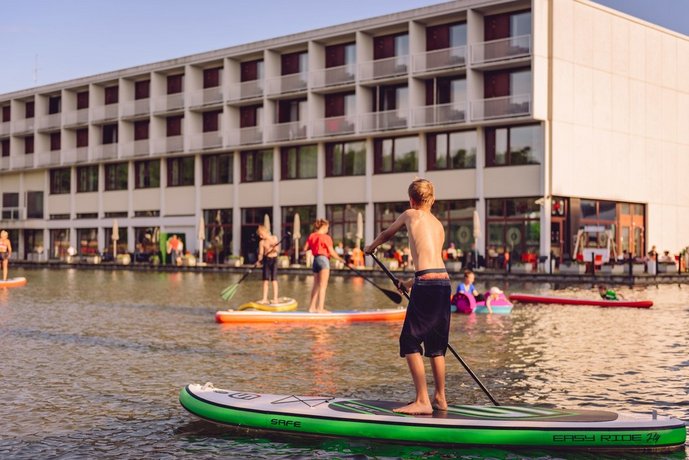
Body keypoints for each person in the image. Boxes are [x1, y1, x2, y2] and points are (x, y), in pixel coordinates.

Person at [364, 178, 450, 415]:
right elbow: (432, 264)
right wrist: (409, 284)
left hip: (427, 283)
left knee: (410, 341)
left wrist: (370, 247)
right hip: (443, 282)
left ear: (412, 200)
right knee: (436, 344)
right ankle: (440, 398)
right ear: (432, 200)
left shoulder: (410, 214)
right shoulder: (438, 225)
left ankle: (422, 400)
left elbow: (387, 233)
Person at [303, 219, 344, 313]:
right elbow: (331, 252)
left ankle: (311, 308)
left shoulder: (312, 236)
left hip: (315, 260)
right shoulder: (326, 237)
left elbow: (305, 248)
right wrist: (341, 259)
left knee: (315, 285)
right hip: (324, 260)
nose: (327, 230)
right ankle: (320, 309)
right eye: (327, 228)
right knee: (323, 286)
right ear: (324, 226)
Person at [256, 225, 280, 304]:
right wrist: (259, 259)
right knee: (265, 280)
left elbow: (277, 250)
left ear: (265, 232)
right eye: (259, 235)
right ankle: (264, 298)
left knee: (274, 280)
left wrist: (274, 247)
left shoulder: (274, 238)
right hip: (266, 261)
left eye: (261, 234)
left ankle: (275, 298)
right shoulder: (261, 242)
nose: (260, 236)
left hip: (274, 260)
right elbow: (261, 253)